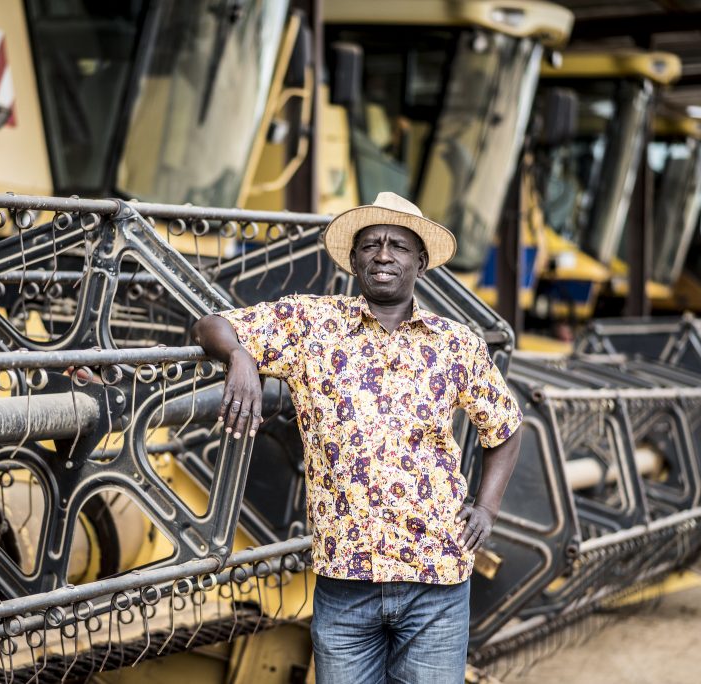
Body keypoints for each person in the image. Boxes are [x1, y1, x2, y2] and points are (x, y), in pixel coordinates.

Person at [192, 192, 524, 684]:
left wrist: (487, 508)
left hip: (436, 579)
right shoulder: (311, 325)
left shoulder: (457, 344)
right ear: (354, 259)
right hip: (346, 585)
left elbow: (506, 426)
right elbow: (208, 325)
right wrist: (240, 356)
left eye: (398, 246)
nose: (384, 255)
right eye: (371, 244)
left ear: (421, 260)